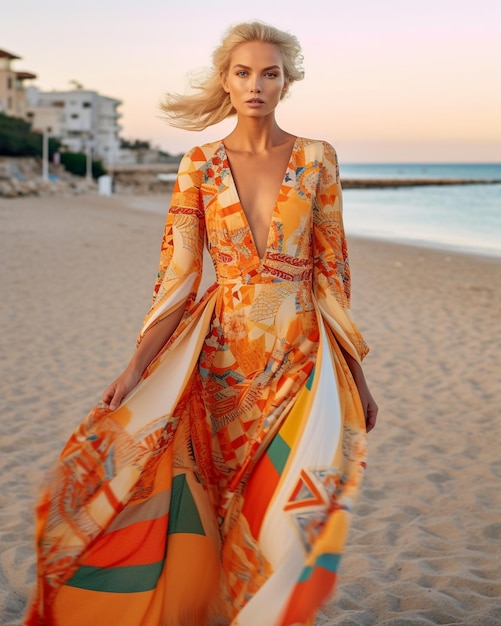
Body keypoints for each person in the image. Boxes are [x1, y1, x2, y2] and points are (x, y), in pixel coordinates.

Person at [25, 20, 377, 626]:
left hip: (301, 359)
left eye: (270, 73)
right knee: (216, 503)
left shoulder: (318, 159)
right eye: (244, 73)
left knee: (287, 509)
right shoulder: (199, 165)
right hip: (219, 362)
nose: (256, 85)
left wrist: (355, 374)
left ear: (287, 82)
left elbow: (331, 272)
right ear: (226, 80)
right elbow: (177, 274)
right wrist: (135, 366)